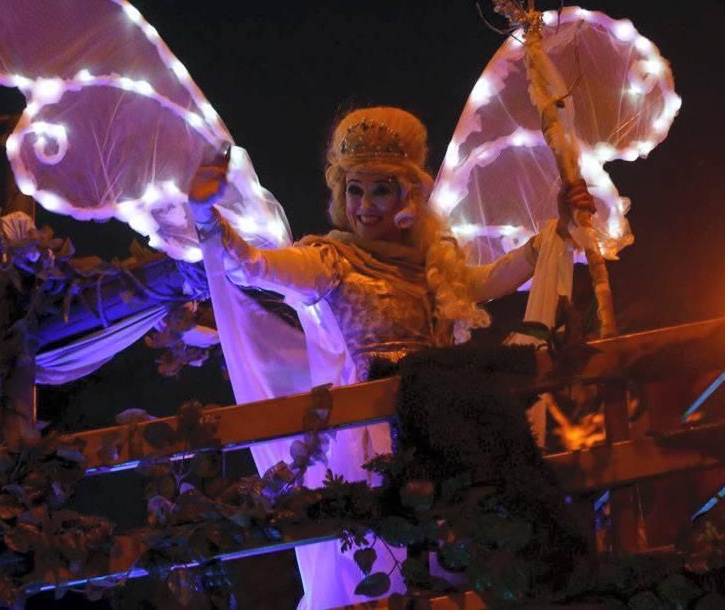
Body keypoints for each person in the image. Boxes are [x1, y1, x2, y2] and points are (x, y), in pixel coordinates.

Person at [188, 105, 594, 608]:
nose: (364, 206)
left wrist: (559, 228)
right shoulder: (331, 260)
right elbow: (253, 266)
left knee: (454, 564)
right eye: (354, 190)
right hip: (369, 439)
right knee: (377, 568)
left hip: (441, 427)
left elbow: (495, 278)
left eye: (379, 189)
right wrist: (207, 215)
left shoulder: (433, 265)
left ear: (408, 196)